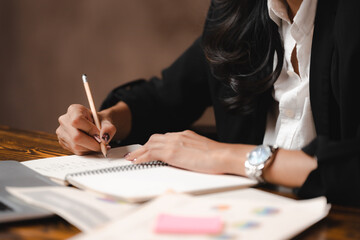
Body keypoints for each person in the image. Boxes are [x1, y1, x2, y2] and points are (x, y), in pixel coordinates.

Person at [56, 0, 360, 206]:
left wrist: (228, 157)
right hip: (245, 214)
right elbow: (166, 96)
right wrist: (104, 121)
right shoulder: (239, 10)